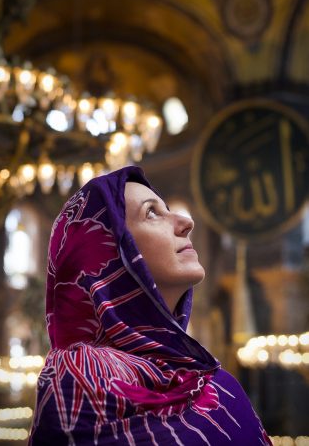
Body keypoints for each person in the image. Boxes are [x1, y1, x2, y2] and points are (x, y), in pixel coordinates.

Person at [29, 166, 271, 445]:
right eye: (152, 213)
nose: (186, 222)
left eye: (168, 209)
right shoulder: (79, 378)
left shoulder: (221, 386)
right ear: (105, 254)